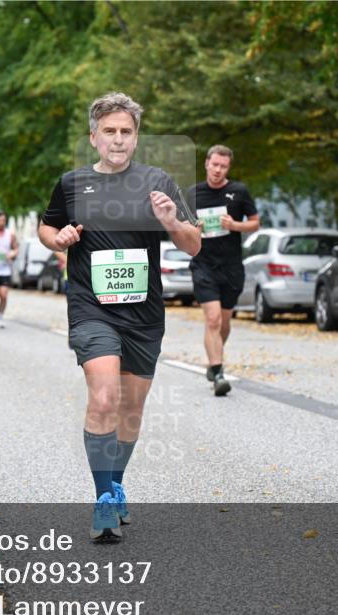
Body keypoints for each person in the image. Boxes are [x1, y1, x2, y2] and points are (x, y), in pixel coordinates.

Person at [39, 92, 200, 541]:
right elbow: (46, 226)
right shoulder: (72, 184)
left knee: (130, 409)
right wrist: (59, 239)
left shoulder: (159, 182)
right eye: (109, 131)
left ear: (136, 137)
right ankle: (104, 498)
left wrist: (170, 220)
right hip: (92, 309)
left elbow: (193, 245)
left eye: (126, 131)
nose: (118, 138)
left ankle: (115, 483)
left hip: (144, 314)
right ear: (94, 138)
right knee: (104, 397)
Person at [187, 145, 259, 396]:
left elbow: (255, 223)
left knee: (224, 322)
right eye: (214, 164)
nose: (218, 170)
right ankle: (218, 372)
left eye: (223, 166)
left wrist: (235, 225)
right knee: (213, 318)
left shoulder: (238, 192)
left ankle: (213, 358)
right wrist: (193, 227)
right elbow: (180, 226)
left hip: (231, 267)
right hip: (203, 264)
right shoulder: (193, 193)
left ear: (228, 168)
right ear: (207, 163)